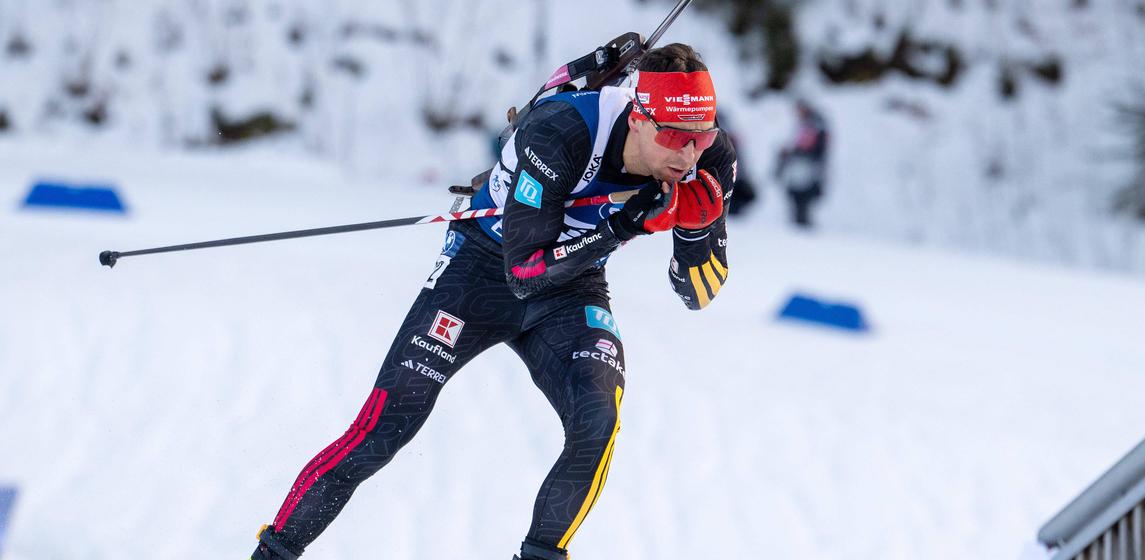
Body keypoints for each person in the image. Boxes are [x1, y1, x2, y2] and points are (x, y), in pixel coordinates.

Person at [250, 43, 736, 560]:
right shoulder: (563, 132)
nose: (687, 158)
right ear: (637, 118)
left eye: (700, 138)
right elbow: (524, 271)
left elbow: (697, 294)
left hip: (572, 289)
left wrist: (695, 231)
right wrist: (621, 225)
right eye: (673, 138)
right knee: (382, 432)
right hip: (482, 270)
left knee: (598, 421)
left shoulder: (711, 161)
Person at [775, 99, 828, 228]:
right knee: (798, 202)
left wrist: (791, 153)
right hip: (802, 170)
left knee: (802, 202)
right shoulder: (808, 124)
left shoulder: (813, 124)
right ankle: (800, 227)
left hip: (806, 170)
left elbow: (807, 147)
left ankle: (803, 230)